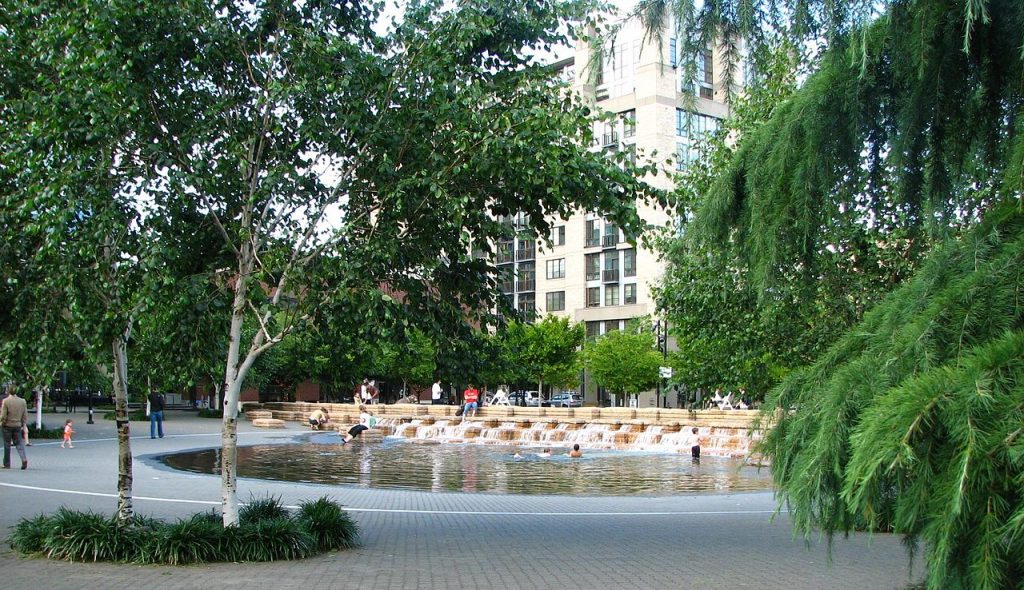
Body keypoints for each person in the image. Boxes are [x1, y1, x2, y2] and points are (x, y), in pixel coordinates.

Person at [1, 386, 28, 469]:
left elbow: (3, 415)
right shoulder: (22, 401)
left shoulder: (6, 401)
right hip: (17, 425)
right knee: (19, 443)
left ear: (8, 391)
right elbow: (25, 415)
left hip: (7, 425)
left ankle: (7, 464)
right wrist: (24, 425)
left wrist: (1, 422)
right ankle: (23, 458)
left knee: (7, 444)